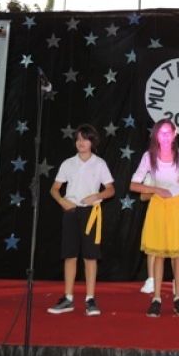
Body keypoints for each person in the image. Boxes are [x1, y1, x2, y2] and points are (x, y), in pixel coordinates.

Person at [130, 119, 179, 317]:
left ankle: (178, 297)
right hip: (159, 206)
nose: (165, 136)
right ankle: (156, 298)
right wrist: (156, 189)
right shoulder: (149, 157)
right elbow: (134, 185)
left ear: (175, 134)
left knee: (177, 254)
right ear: (155, 135)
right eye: (161, 133)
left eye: (168, 132)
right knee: (158, 253)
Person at [47, 124, 114, 316]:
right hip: (71, 211)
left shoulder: (99, 163)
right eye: (78, 139)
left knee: (90, 256)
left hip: (91, 213)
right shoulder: (68, 163)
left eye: (85, 139)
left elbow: (111, 189)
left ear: (92, 142)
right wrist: (62, 201)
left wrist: (97, 196)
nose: (81, 143)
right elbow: (54, 189)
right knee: (70, 255)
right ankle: (68, 298)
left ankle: (90, 298)